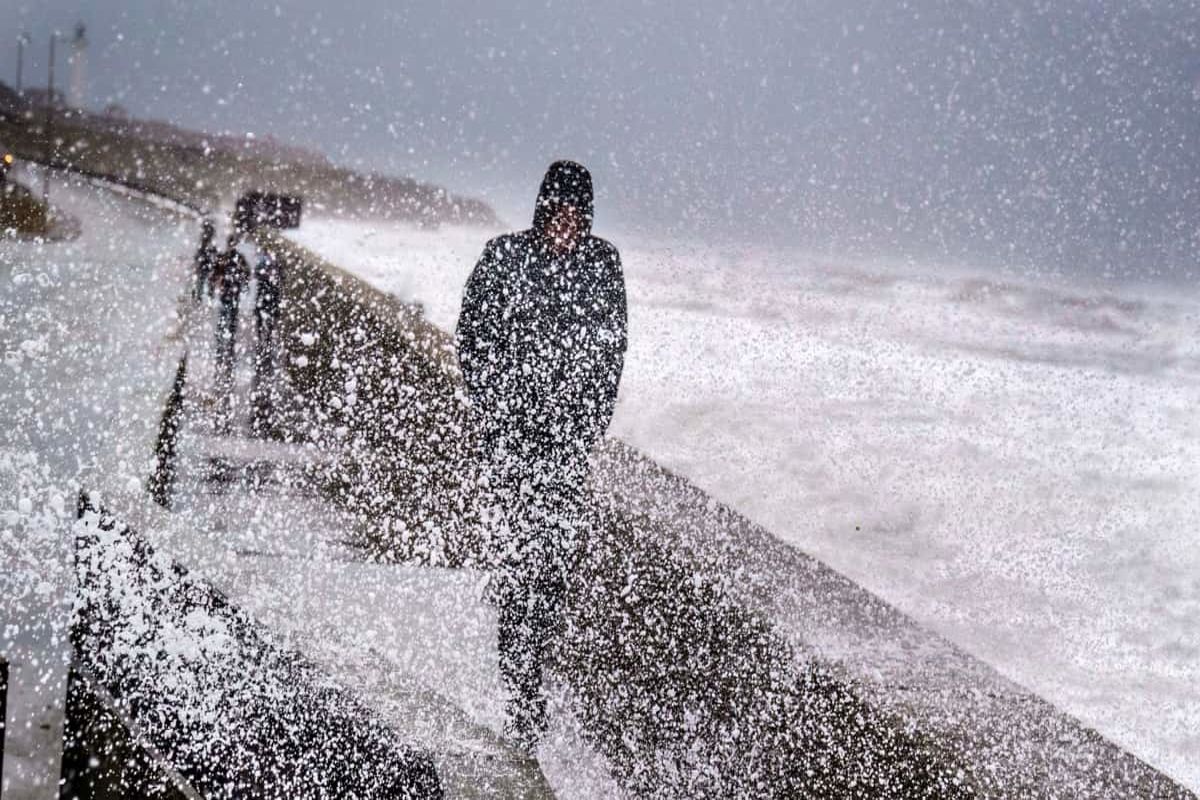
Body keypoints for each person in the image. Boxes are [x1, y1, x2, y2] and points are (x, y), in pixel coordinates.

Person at [456, 160, 627, 747]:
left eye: (577, 215)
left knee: (550, 573)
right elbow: (472, 339)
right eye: (558, 212)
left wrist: (584, 430)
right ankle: (518, 692)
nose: (567, 225)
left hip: (566, 451)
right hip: (512, 446)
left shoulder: (604, 265)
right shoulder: (504, 256)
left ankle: (531, 688)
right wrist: (498, 414)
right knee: (516, 567)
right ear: (541, 208)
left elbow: (611, 354)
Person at [213, 232, 250, 428]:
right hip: (231, 293)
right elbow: (246, 274)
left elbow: (215, 274)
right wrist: (241, 285)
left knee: (226, 318)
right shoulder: (235, 259)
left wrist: (217, 284)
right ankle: (226, 343)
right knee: (229, 317)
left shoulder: (226, 258)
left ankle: (223, 343)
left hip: (229, 294)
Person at [251, 247, 282, 434]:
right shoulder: (270, 282)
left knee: (265, 330)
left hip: (265, 309)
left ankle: (264, 344)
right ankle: (265, 345)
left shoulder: (266, 281)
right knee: (264, 330)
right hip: (266, 310)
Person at [191, 219, 218, 303]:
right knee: (203, 281)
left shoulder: (205, 243)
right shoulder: (207, 243)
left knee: (202, 281)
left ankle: (201, 296)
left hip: (204, 264)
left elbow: (201, 254)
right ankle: (205, 296)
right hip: (206, 264)